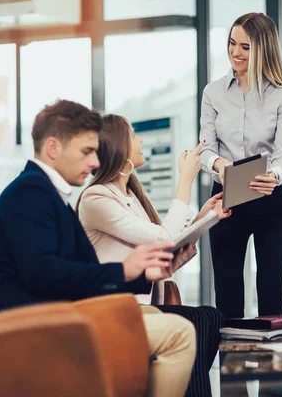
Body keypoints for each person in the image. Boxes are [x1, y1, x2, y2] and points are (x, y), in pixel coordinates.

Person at [0, 100, 196, 397]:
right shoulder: (31, 192)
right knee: (181, 334)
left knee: (160, 319)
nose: (95, 162)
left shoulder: (46, 193)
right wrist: (124, 270)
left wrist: (143, 274)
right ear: (53, 148)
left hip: (60, 317)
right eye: (87, 151)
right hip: (38, 328)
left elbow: (75, 272)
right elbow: (41, 273)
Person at [77, 114, 229, 397]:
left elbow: (167, 255)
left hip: (143, 306)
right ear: (120, 146)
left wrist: (201, 219)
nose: (141, 140)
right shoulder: (96, 199)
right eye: (134, 135)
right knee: (201, 320)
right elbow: (165, 238)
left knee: (210, 317)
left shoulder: (133, 198)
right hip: (121, 309)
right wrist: (186, 180)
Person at [199, 12, 282, 318]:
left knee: (271, 291)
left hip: (269, 199)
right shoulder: (213, 93)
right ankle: (230, 365)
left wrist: (275, 175)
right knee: (227, 294)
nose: (235, 53)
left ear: (263, 49)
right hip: (226, 200)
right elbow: (204, 151)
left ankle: (271, 365)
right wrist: (220, 165)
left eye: (245, 47)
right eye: (232, 43)